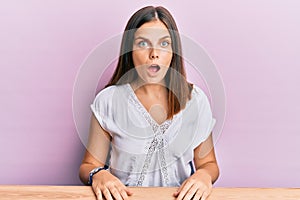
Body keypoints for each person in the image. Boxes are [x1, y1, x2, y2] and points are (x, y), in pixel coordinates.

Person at [79, 6, 219, 200]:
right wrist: (99, 175)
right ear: (130, 50)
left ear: (173, 51)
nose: (154, 53)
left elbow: (209, 164)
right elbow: (89, 165)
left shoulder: (196, 100)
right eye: (143, 43)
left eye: (164, 43)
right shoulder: (108, 100)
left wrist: (204, 176)